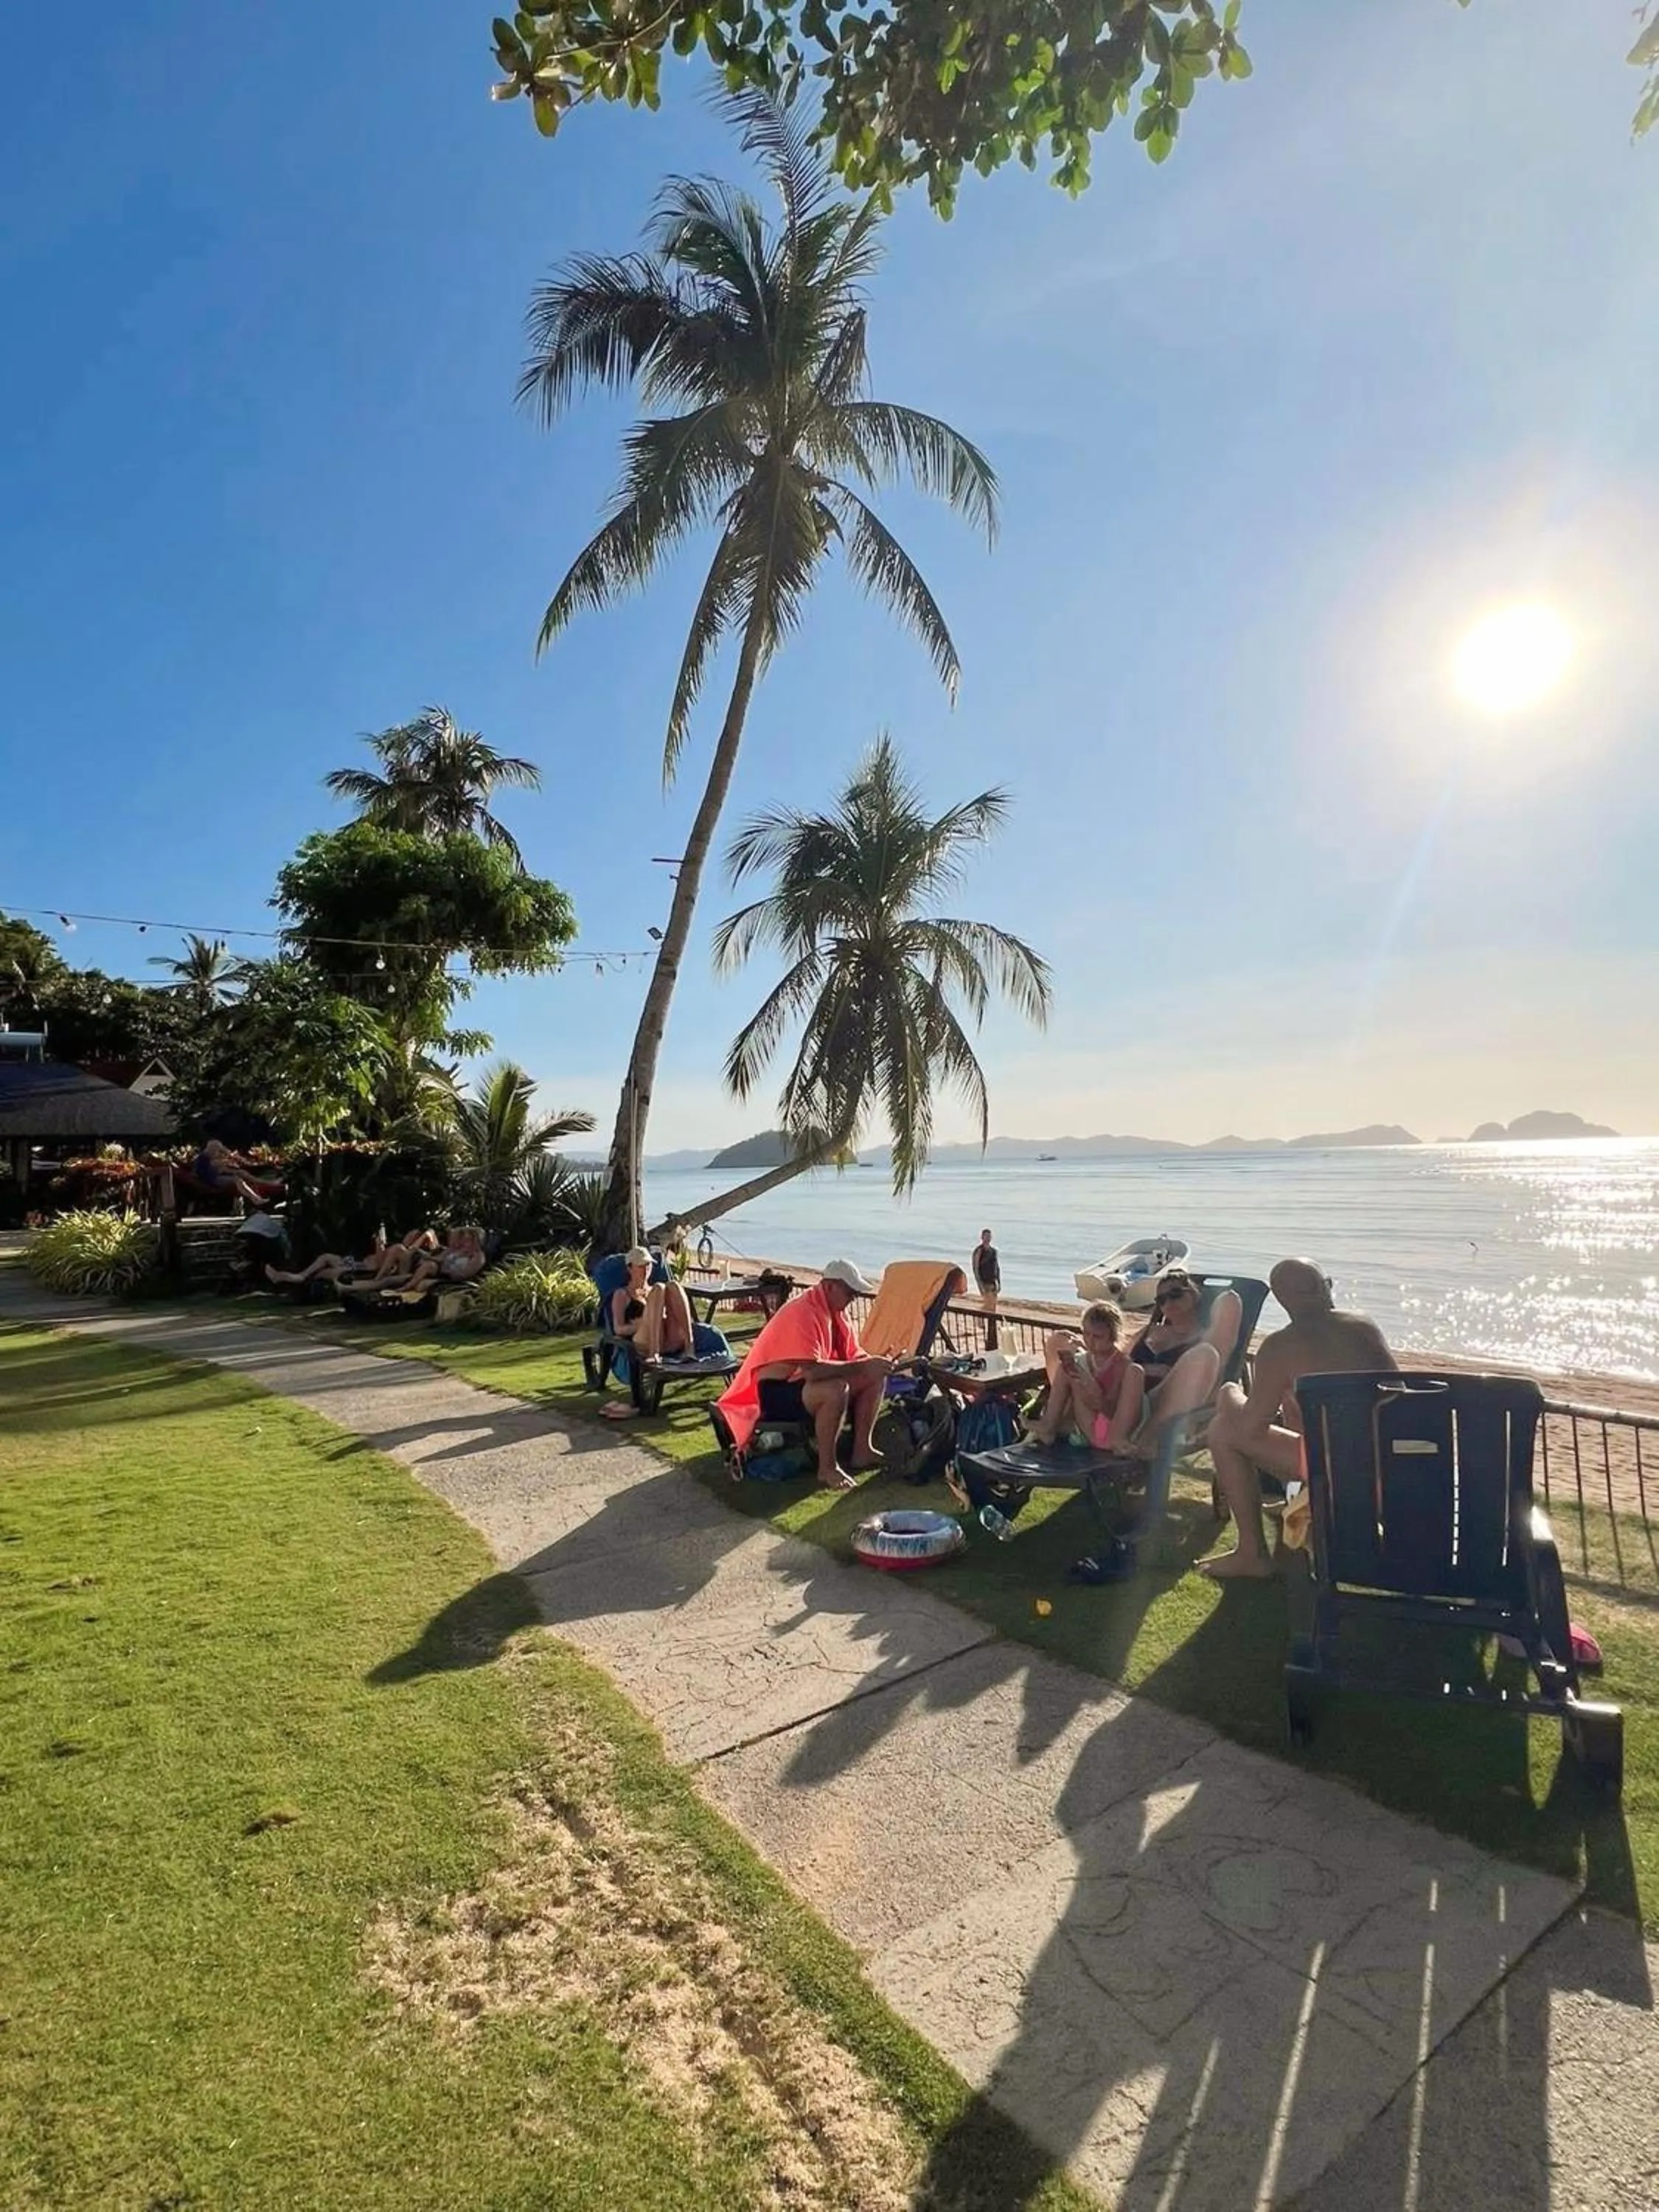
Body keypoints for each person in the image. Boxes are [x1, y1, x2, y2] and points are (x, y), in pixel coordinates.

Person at [1200, 1257, 1397, 1580]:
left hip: (1337, 1468)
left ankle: (1252, 1554)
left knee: (1223, 1429)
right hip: (1391, 1464)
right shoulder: (1364, 1326)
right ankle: (1303, 1499)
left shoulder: (1280, 1346)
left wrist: (1229, 1393)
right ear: (1325, 1288)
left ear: (1281, 1299)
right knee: (1296, 1413)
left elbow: (1250, 1428)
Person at [714, 1258, 891, 1491]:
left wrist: (877, 1364)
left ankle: (862, 1451)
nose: (853, 1299)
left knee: (875, 1376)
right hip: (772, 1390)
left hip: (799, 1382)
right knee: (836, 1390)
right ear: (829, 1287)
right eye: (850, 1292)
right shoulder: (803, 1311)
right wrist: (864, 1366)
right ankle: (827, 1468)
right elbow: (813, 1371)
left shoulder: (835, 1311)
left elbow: (854, 1357)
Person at [1127, 1267, 1242, 1452]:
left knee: (1204, 1354)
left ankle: (1148, 1435)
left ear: (1194, 1295)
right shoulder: (1149, 1331)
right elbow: (1120, 1361)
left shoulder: (1206, 1339)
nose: (1168, 1302)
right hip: (1126, 1397)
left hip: (1158, 1402)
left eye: (1175, 1294)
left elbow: (1230, 1300)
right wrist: (1150, 1369)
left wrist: (1169, 1373)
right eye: (1162, 1300)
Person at [1029, 1301, 1144, 1450]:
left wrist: (1089, 1385)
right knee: (1067, 1369)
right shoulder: (1087, 1360)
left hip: (1109, 1431)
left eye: (1098, 1337)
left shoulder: (1122, 1365)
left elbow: (1111, 1410)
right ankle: (1048, 1426)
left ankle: (1050, 1426)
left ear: (1114, 1336)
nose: (1090, 1341)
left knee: (1074, 1371)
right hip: (1089, 1426)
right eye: (1086, 1334)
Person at [599, 1247, 698, 1417]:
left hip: (668, 1338)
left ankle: (690, 1347)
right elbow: (618, 1329)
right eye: (641, 1266)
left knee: (673, 1285)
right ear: (630, 1268)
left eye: (649, 1266)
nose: (646, 1270)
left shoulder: (655, 1291)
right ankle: (655, 1353)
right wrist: (643, 1323)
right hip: (642, 1342)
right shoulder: (622, 1294)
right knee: (660, 1288)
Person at [193, 1136, 282, 1208]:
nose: (218, 1152)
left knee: (241, 1172)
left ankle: (270, 1184)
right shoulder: (204, 1158)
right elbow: (215, 1167)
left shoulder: (210, 1157)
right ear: (212, 1149)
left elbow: (220, 1167)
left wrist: (231, 1159)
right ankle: (255, 1199)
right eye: (217, 1150)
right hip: (211, 1181)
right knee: (237, 1179)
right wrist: (230, 1157)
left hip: (215, 1176)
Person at [970, 1228, 1001, 1349]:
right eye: (986, 1236)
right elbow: (975, 1268)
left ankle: (990, 1326)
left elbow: (997, 1267)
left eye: (989, 1236)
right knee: (988, 1303)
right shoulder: (979, 1251)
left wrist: (999, 1281)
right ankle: (980, 1318)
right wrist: (979, 1284)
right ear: (982, 1237)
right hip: (984, 1281)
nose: (988, 1238)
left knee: (993, 1304)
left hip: (993, 1280)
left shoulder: (994, 1251)